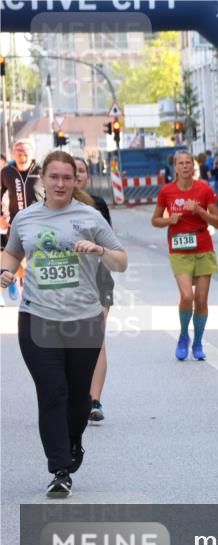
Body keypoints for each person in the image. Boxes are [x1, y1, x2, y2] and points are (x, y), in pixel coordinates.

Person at [0, 151, 127, 497]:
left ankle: (73, 441)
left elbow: (121, 261)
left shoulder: (89, 217)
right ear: (43, 179)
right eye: (53, 177)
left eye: (67, 178)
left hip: (83, 320)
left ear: (75, 180)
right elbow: (11, 252)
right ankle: (59, 468)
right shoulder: (25, 219)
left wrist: (99, 251)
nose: (60, 184)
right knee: (52, 392)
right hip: (37, 318)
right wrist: (4, 270)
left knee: (78, 401)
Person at [151, 151, 218, 362]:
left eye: (188, 163)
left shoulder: (204, 189)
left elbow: (217, 222)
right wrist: (168, 220)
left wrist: (199, 210)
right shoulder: (167, 191)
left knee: (201, 300)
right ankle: (183, 336)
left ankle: (198, 342)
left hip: (203, 247)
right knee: (187, 297)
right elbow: (154, 220)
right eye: (180, 163)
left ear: (193, 166)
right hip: (179, 249)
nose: (184, 167)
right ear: (175, 167)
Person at [73, 158, 115, 423]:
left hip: (98, 278)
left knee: (95, 338)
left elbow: (111, 246)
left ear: (87, 176)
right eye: (69, 172)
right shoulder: (48, 209)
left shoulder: (97, 205)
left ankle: (94, 401)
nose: (75, 176)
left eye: (80, 171)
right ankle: (74, 395)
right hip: (64, 284)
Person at [1, 139, 41, 247]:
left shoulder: (42, 171)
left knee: (38, 261)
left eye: (25, 155)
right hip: (16, 227)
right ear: (13, 155)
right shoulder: (6, 172)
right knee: (18, 262)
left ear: (32, 154)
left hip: (39, 227)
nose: (22, 158)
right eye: (19, 155)